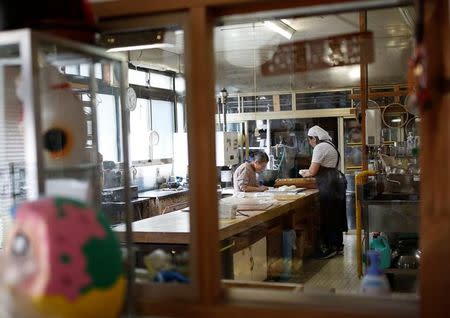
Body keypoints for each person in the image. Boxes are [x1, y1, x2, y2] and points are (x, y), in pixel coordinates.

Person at [299, 125, 347, 259]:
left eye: (310, 140)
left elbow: (312, 171)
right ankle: (337, 246)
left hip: (329, 184)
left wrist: (304, 173)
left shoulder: (320, 147)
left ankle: (329, 248)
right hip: (336, 181)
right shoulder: (330, 145)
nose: (310, 143)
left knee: (328, 214)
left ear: (314, 138)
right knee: (336, 213)